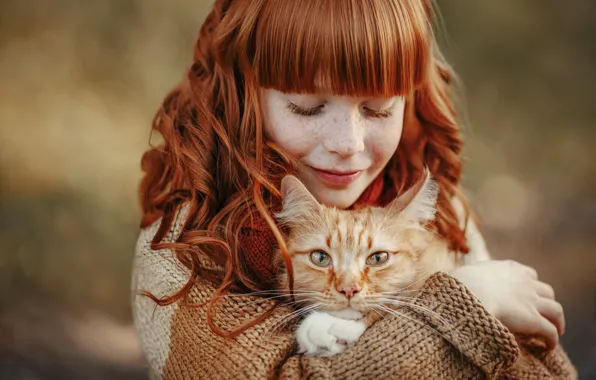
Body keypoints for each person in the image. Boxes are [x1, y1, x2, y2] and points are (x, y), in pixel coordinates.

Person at [131, 0, 577, 378]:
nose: (348, 145)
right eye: (307, 108)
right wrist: (466, 303)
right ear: (242, 96)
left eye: (379, 109)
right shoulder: (177, 255)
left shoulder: (434, 208)